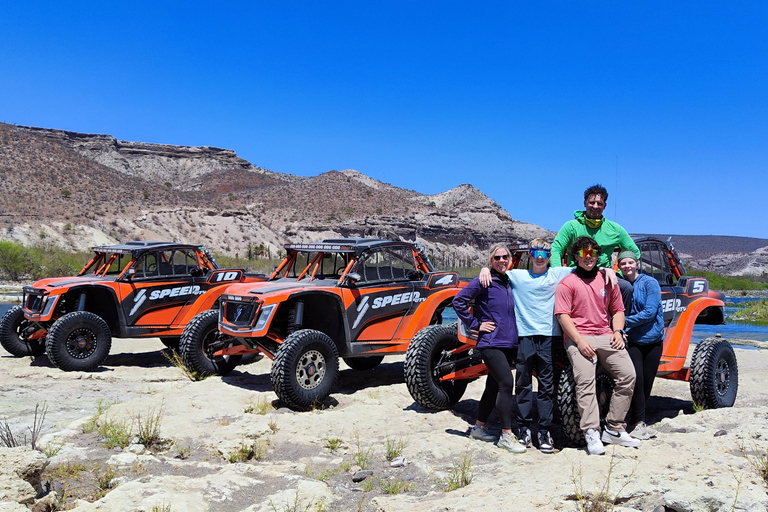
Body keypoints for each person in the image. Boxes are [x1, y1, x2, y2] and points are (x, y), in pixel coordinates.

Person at [477, 239, 618, 454]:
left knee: (545, 387)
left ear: (549, 255)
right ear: (530, 255)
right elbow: (498, 268)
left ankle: (544, 430)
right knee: (523, 385)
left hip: (549, 337)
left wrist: (608, 269)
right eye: (536, 253)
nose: (540, 257)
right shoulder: (517, 276)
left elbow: (587, 264)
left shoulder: (559, 274)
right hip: (524, 336)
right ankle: (523, 428)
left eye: (544, 253)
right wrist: (484, 269)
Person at [554, 236, 640, 455]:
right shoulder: (567, 283)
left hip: (606, 334)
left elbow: (618, 310)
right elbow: (563, 316)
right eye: (583, 253)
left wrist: (619, 331)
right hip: (578, 336)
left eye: (592, 253)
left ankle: (614, 427)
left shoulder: (607, 280)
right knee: (585, 383)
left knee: (628, 375)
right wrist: (579, 341)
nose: (588, 257)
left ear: (598, 255)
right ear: (576, 257)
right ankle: (591, 431)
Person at [453, 244, 526, 453]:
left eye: (505, 257)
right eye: (497, 258)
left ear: (510, 259)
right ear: (491, 260)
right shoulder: (485, 280)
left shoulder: (510, 281)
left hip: (508, 342)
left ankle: (478, 428)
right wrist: (475, 324)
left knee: (493, 386)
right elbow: (458, 301)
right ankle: (505, 435)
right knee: (506, 382)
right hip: (490, 342)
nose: (501, 260)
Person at [618, 250, 664, 441]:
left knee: (647, 382)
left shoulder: (649, 283)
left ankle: (639, 421)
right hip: (633, 340)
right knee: (635, 379)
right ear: (618, 266)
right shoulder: (619, 284)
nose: (627, 266)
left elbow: (650, 312)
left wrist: (622, 322)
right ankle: (638, 421)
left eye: (630, 262)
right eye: (623, 263)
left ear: (637, 263)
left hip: (653, 340)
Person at [550, 184, 640, 269]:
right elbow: (556, 249)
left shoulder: (615, 229)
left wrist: (618, 272)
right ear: (585, 203)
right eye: (592, 202)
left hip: (604, 276)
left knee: (627, 286)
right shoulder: (571, 226)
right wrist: (558, 273)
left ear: (605, 206)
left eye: (599, 203)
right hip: (575, 276)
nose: (595, 206)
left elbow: (634, 252)